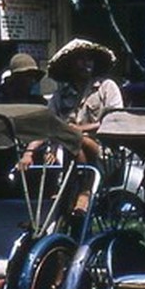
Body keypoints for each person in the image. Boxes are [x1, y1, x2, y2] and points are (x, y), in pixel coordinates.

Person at [25, 38, 123, 213]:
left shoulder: (106, 88)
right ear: (70, 65)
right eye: (80, 59)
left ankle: (85, 189)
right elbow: (47, 125)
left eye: (89, 59)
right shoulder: (61, 95)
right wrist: (28, 152)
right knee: (61, 149)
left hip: (104, 153)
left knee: (74, 136)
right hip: (69, 154)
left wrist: (77, 130)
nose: (86, 63)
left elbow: (115, 120)